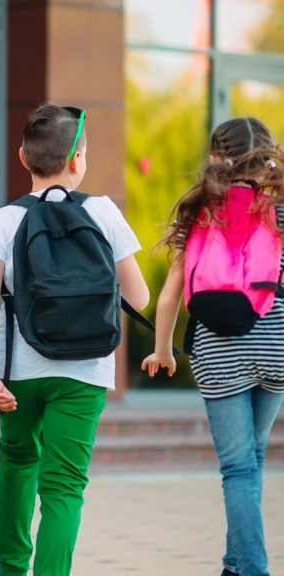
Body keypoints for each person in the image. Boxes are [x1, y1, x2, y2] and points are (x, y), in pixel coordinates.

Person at [0, 103, 149, 576]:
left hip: (18, 371)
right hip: (87, 371)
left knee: (17, 460)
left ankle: (10, 567)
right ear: (78, 160)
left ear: (23, 159)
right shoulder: (103, 211)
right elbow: (139, 295)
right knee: (65, 486)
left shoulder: (2, 219)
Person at [142, 117, 284, 576]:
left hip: (220, 353)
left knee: (238, 469)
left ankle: (253, 570)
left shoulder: (199, 211)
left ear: (215, 156)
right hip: (276, 347)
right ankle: (234, 564)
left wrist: (163, 349)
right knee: (253, 460)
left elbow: (169, 296)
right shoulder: (281, 210)